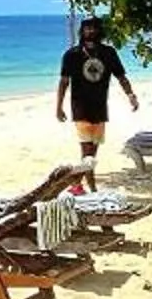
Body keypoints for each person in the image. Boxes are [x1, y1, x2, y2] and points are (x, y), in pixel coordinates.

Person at [55, 16, 139, 191]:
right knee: (86, 150)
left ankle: (77, 184)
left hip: (100, 107)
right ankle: (91, 188)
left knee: (93, 151)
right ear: (82, 31)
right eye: (87, 28)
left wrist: (131, 95)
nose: (90, 31)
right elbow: (64, 82)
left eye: (93, 28)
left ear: (99, 31)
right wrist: (59, 107)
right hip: (80, 107)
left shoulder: (108, 53)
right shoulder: (72, 55)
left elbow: (121, 77)